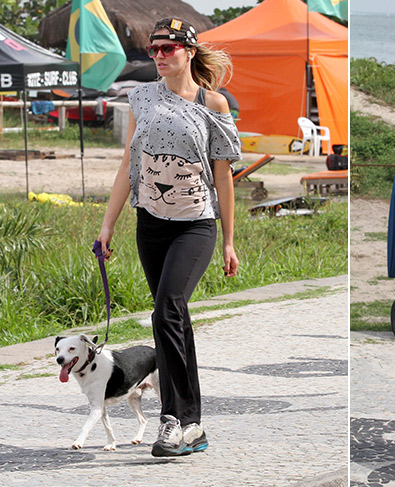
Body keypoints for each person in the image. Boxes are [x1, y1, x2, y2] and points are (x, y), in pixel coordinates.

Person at [97, 17, 241, 457]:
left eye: (168, 48)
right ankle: (193, 424)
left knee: (167, 310)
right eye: (153, 48)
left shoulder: (213, 104)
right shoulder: (141, 97)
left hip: (196, 224)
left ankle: (174, 420)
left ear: (189, 52)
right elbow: (129, 164)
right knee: (171, 322)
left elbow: (224, 176)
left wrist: (230, 241)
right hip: (151, 224)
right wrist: (107, 224)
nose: (158, 55)